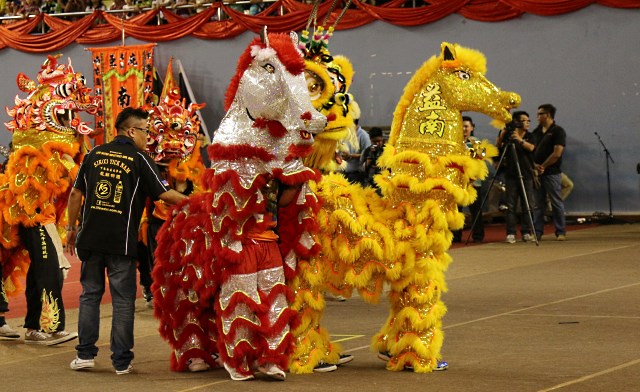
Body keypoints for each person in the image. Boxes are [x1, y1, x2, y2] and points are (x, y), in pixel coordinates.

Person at [65, 107, 187, 375]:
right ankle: (121, 361)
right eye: (146, 131)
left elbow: (76, 194)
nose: (148, 137)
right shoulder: (140, 159)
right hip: (121, 242)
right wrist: (200, 202)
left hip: (90, 238)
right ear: (132, 131)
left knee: (89, 295)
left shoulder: (93, 154)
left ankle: (85, 355)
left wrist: (71, 228)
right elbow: (164, 196)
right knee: (122, 301)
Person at [496, 111, 536, 243]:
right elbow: (498, 148)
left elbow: (531, 148)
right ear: (517, 122)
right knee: (511, 205)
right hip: (511, 174)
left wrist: (519, 140)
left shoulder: (530, 135)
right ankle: (511, 233)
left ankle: (526, 232)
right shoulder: (508, 136)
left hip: (527, 173)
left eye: (528, 120)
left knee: (527, 204)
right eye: (524, 120)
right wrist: (502, 134)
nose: (528, 123)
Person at [530, 104, 567, 241]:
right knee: (538, 204)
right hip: (537, 173)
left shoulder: (558, 131)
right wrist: (535, 166)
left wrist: (544, 166)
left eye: (540, 114)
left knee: (556, 202)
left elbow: (557, 153)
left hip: (552, 172)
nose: (537, 116)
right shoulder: (536, 132)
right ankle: (537, 232)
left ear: (548, 115)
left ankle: (560, 231)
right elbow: (531, 150)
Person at [452, 116, 485, 243]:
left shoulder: (475, 142)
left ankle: (478, 235)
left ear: (472, 128)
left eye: (466, 126)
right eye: (462, 126)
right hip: (457, 182)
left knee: (476, 210)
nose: (464, 129)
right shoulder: (454, 142)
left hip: (474, 182)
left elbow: (481, 158)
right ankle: (456, 236)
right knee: (457, 211)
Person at [341, 118, 371, 185]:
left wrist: (351, 156)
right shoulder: (345, 134)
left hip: (356, 175)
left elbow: (368, 155)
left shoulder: (364, 136)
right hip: (342, 173)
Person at [361, 127, 385, 193]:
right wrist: (367, 162)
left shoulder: (387, 150)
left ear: (382, 139)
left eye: (379, 141)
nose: (377, 144)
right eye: (374, 141)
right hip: (369, 184)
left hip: (383, 183)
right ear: (370, 140)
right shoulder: (366, 151)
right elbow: (361, 168)